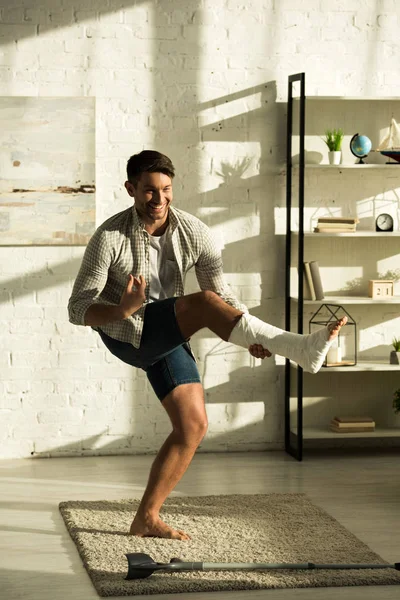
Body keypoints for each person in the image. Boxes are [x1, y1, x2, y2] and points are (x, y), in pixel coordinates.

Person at [68, 150, 346, 541]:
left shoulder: (193, 230)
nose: (159, 199)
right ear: (131, 189)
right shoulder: (109, 237)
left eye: (166, 189)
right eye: (149, 191)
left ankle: (146, 517)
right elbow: (77, 307)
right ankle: (300, 349)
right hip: (128, 335)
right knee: (200, 304)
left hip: (168, 335)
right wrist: (121, 308)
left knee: (193, 426)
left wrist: (248, 335)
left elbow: (221, 293)